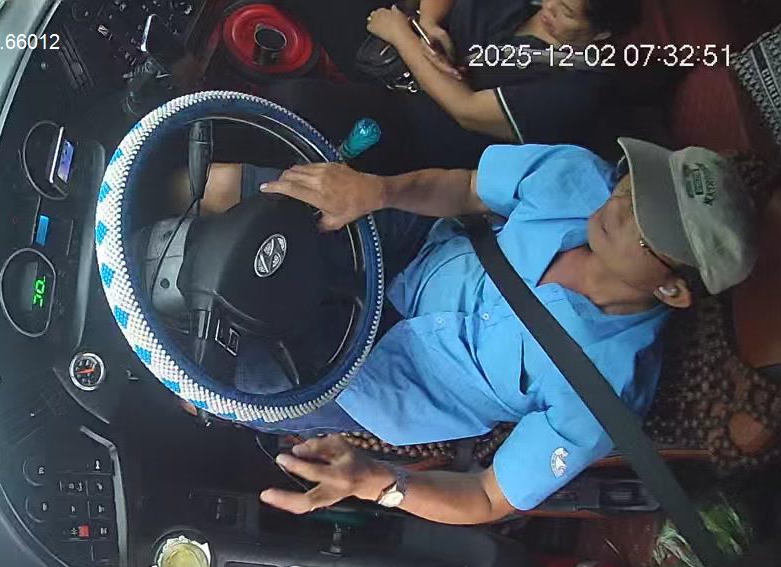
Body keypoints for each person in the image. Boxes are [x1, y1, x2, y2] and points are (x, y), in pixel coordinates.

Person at [209, 139, 756, 525]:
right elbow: (470, 188)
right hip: (413, 247)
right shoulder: (576, 177)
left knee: (223, 379)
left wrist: (376, 483)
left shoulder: (604, 393)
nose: (621, 207)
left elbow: (487, 498)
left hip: (392, 384)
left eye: (649, 223)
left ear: (672, 289)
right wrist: (377, 190)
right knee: (262, 194)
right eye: (637, 187)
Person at [264, 0, 642, 173]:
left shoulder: (577, 86)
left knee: (292, 104)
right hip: (399, 51)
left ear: (600, 34)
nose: (549, 7)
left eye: (567, 12)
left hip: (417, 127)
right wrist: (429, 22)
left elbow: (468, 111)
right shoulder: (535, 7)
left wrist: (402, 37)